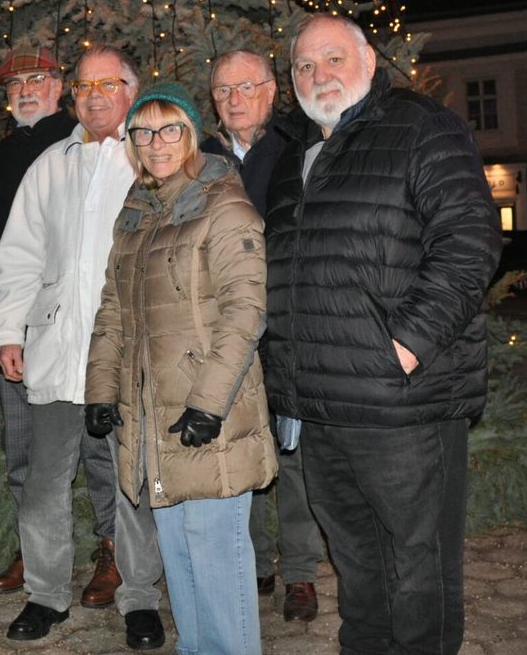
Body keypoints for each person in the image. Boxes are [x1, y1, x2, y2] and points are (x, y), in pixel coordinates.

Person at [264, 14, 501, 654]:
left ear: (369, 61)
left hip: (403, 404)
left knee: (419, 562)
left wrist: (405, 348)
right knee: (356, 558)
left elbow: (469, 243)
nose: (319, 75)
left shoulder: (421, 127)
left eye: (333, 58)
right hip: (322, 404)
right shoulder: (294, 153)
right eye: (304, 66)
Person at [86, 83, 278, 655]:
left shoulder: (224, 206)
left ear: (191, 134)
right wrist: (101, 390)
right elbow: (113, 311)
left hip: (208, 411)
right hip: (151, 417)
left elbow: (245, 311)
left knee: (215, 556)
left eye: (169, 128)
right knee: (179, 555)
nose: (157, 142)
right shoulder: (136, 214)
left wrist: (208, 403)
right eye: (143, 132)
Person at [0, 44, 164, 647]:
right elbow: (20, 253)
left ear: (131, 92)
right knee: (45, 482)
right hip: (58, 349)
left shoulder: (151, 159)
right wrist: (9, 331)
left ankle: (140, 598)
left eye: (108, 84)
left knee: (130, 480)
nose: (95, 96)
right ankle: (45, 595)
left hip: (127, 354)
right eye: (85, 86)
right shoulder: (51, 164)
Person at [202, 49, 322, 622]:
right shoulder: (201, 159)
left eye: (245, 87)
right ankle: (254, 564)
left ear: (272, 91)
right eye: (222, 91)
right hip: (224, 329)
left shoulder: (298, 151)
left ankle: (300, 572)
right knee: (240, 446)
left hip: (286, 325)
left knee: (292, 453)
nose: (234, 100)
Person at [0, 48, 97, 596]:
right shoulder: (0, 156)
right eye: (15, 83)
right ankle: (33, 551)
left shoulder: (82, 142)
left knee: (100, 448)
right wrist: (5, 327)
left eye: (37, 79)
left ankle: (111, 552)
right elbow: (4, 249)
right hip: (20, 322)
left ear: (59, 86)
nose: (26, 90)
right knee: (24, 447)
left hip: (80, 323)